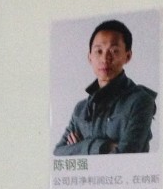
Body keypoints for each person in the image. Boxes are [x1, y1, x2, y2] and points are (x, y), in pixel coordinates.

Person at [53, 19, 156, 156]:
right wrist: (104, 147)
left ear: (128, 56)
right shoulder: (81, 109)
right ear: (89, 57)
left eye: (114, 51)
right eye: (99, 51)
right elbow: (58, 153)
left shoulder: (140, 101)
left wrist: (78, 148)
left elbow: (126, 156)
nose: (105, 58)